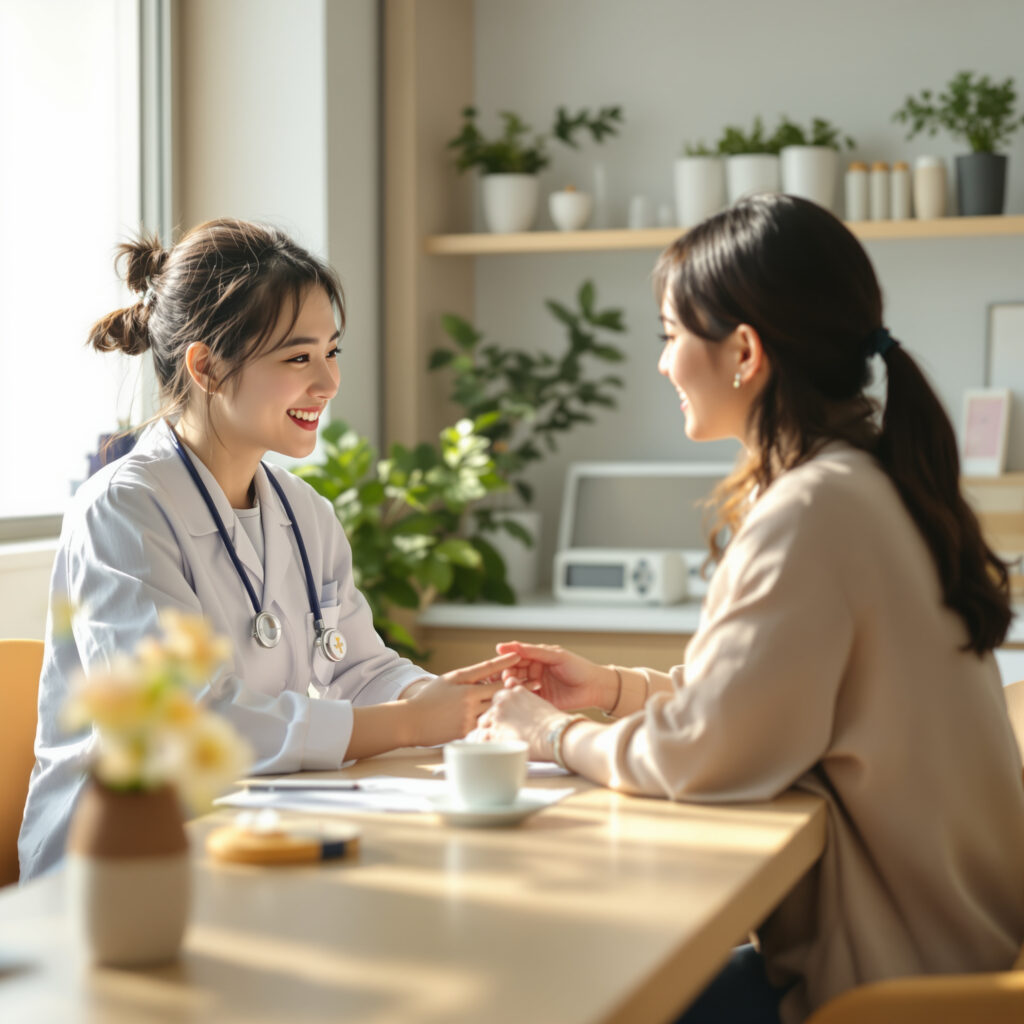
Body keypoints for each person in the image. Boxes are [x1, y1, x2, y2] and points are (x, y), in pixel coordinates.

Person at [478, 194, 1024, 1023]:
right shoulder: (867, 483)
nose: (663, 364)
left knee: (565, 994)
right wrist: (615, 690)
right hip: (954, 949)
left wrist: (549, 734)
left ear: (743, 351)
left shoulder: (816, 509)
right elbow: (769, 706)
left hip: (889, 988)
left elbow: (703, 756)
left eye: (670, 335)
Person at [20, 219, 513, 880]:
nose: (328, 382)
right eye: (298, 358)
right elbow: (180, 727)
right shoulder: (122, 510)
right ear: (206, 366)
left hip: (249, 833)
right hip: (117, 868)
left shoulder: (306, 514)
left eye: (332, 351)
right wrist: (408, 725)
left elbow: (359, 669)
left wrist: (449, 699)